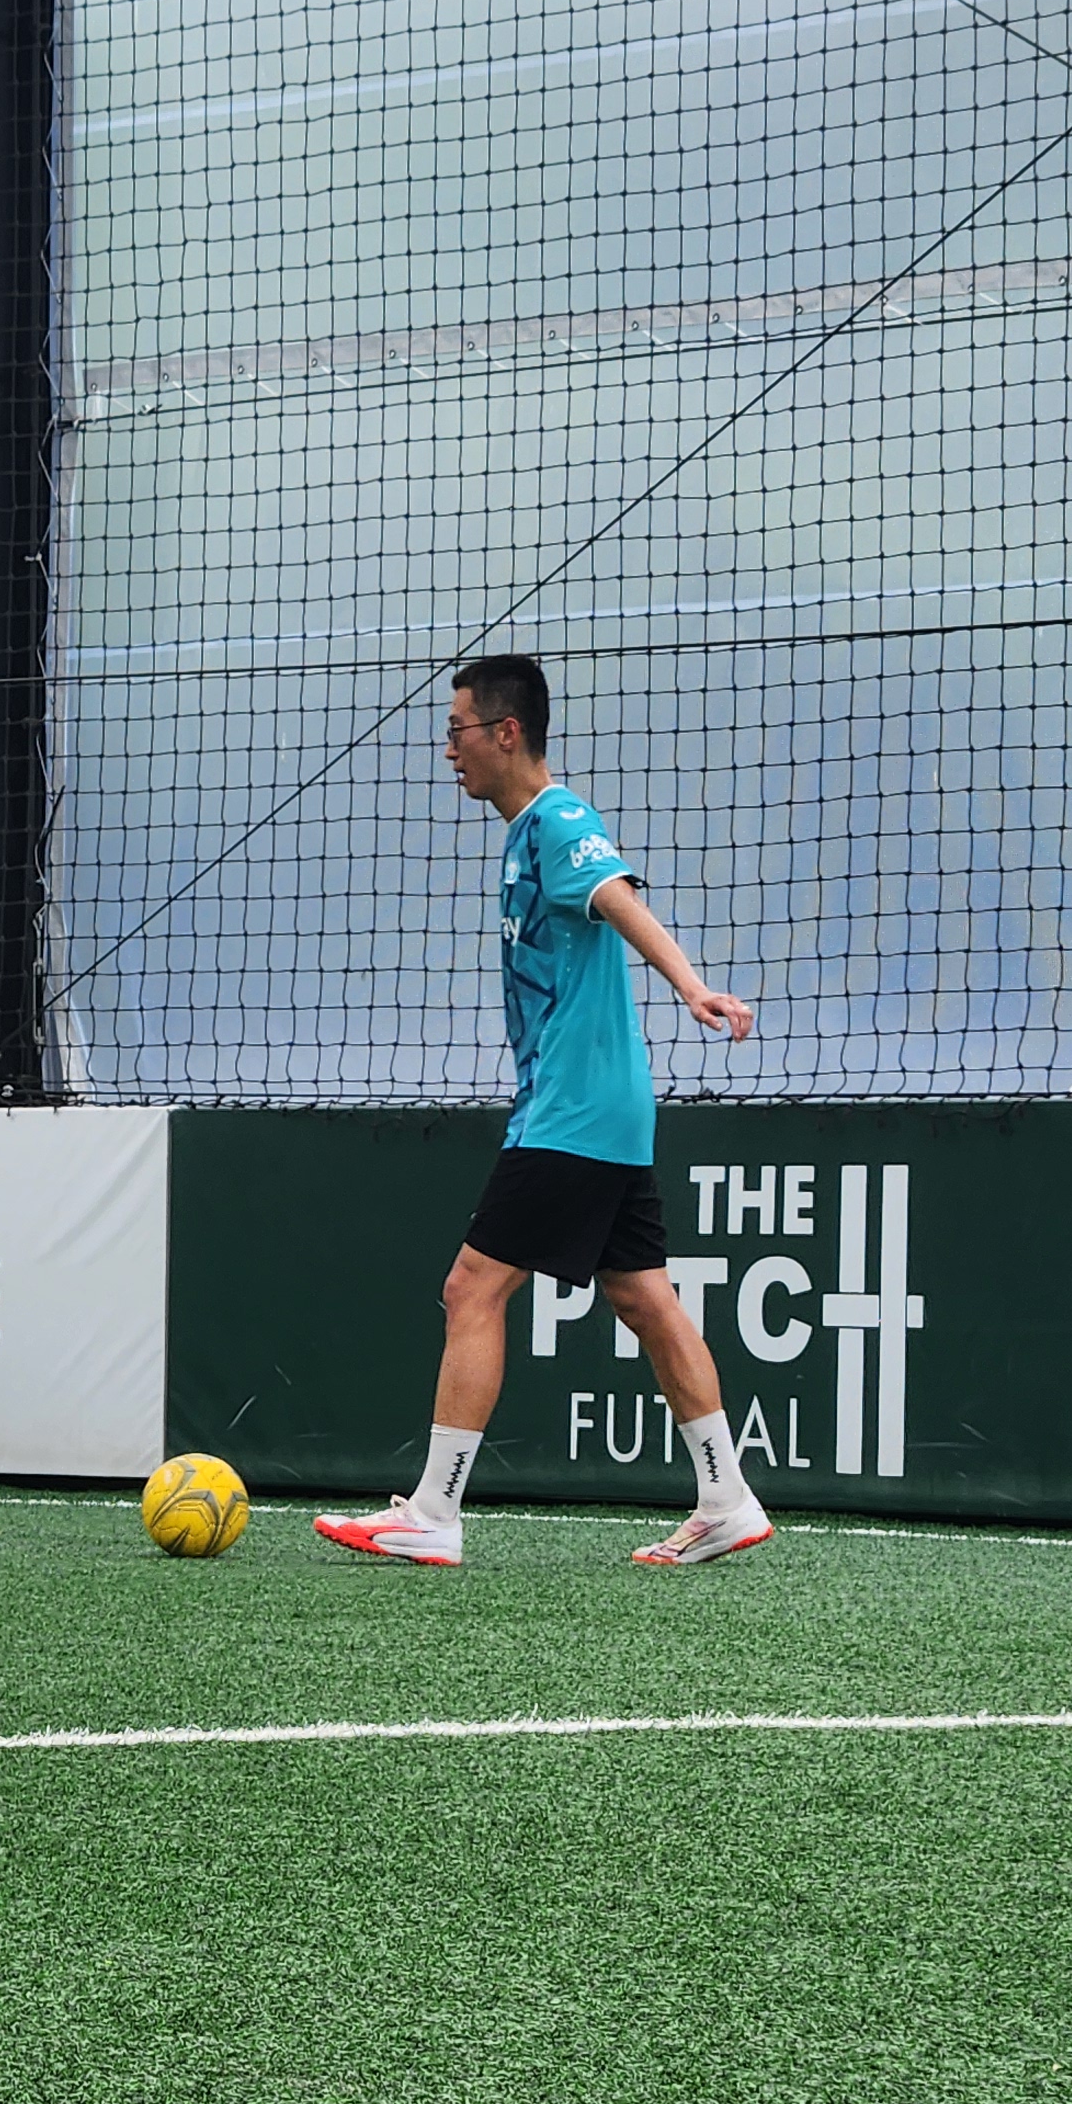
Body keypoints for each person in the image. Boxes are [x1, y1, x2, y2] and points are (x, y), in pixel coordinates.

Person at [316, 654, 775, 1569]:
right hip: (605, 1110)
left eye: (457, 731)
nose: (448, 749)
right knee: (643, 1296)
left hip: (572, 1114)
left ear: (507, 731)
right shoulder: (525, 833)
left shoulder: (559, 821)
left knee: (472, 1289)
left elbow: (616, 898)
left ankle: (434, 1512)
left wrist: (691, 987)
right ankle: (727, 1498)